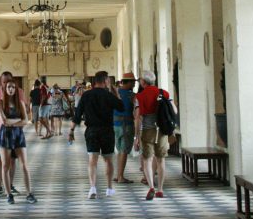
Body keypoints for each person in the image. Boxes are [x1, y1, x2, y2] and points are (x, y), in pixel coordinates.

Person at [68, 71, 124, 199]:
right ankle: (109, 188)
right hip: (107, 130)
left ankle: (93, 188)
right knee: (108, 160)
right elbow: (121, 107)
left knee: (92, 160)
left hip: (92, 130)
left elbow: (77, 116)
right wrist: (115, 93)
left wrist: (71, 131)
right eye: (108, 81)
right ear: (105, 81)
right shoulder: (108, 95)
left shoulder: (86, 95)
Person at [134, 70, 177, 200]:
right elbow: (174, 110)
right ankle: (160, 189)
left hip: (147, 131)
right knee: (161, 159)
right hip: (162, 131)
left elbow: (138, 118)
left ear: (143, 82)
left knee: (147, 159)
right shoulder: (163, 93)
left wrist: (136, 137)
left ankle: (151, 186)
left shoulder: (140, 97)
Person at [0, 78, 37, 205]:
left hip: (18, 135)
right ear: (5, 89)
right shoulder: (0, 104)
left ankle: (29, 193)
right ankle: (9, 194)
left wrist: (13, 123)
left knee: (24, 165)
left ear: (16, 89)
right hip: (5, 135)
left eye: (13, 87)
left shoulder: (20, 103)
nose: (11, 89)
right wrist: (18, 121)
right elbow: (4, 121)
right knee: (5, 165)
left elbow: (26, 120)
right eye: (9, 87)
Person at [114, 72, 136, 183]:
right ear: (129, 82)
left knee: (119, 151)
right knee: (124, 151)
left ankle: (118, 175)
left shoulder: (115, 93)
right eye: (133, 82)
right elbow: (136, 112)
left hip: (115, 126)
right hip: (127, 126)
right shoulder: (132, 95)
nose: (134, 84)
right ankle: (121, 176)